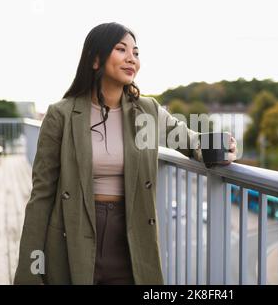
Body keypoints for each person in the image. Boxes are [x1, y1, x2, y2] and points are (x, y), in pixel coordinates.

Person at [13, 22, 237, 285]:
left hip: (131, 237)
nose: (132, 58)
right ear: (95, 59)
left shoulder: (147, 111)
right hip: (72, 236)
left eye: (136, 52)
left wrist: (219, 148)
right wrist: (30, 270)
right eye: (121, 49)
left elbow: (189, 140)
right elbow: (41, 196)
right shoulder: (61, 114)